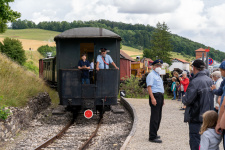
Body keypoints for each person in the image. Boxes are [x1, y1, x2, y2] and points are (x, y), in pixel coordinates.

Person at [182, 60, 214, 150]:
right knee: (206, 142)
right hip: (208, 116)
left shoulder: (195, 81)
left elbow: (187, 100)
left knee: (196, 140)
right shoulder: (209, 80)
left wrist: (184, 97)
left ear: (194, 68)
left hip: (197, 115)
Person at [146, 59, 164, 143]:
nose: (159, 67)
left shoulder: (158, 75)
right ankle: (152, 136)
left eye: (160, 66)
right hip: (155, 96)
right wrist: (152, 98)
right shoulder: (151, 75)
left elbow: (160, 88)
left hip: (160, 96)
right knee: (154, 117)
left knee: (159, 116)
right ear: (153, 67)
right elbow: (149, 87)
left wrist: (162, 99)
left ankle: (155, 132)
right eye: (157, 66)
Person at [211, 61, 225, 149]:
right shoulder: (224, 80)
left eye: (221, 70)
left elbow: (224, 104)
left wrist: (219, 122)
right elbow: (219, 91)